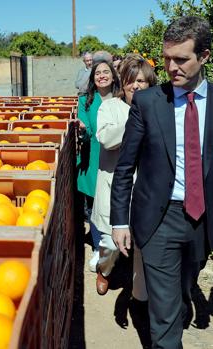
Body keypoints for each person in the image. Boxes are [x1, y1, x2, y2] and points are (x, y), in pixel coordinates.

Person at [111, 16, 212, 348]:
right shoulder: (149, 102)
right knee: (166, 314)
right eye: (167, 58)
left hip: (203, 221)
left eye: (181, 59)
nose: (171, 67)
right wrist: (120, 221)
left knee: (182, 290)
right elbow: (125, 166)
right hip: (159, 219)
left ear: (205, 57)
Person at [92, 54, 157, 297]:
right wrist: (137, 117)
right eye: (130, 81)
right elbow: (107, 139)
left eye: (141, 81)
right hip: (113, 189)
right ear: (123, 84)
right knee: (109, 243)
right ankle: (104, 270)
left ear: (150, 84)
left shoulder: (158, 111)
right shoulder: (110, 107)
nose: (136, 86)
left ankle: (140, 298)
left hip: (145, 192)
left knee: (141, 245)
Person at [77, 59, 120, 272]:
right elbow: (85, 133)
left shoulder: (123, 99)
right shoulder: (85, 101)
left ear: (113, 76)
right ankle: (98, 247)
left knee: (116, 203)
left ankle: (117, 244)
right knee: (95, 206)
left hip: (119, 159)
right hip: (94, 158)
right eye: (97, 73)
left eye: (106, 72)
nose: (102, 75)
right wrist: (83, 130)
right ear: (92, 78)